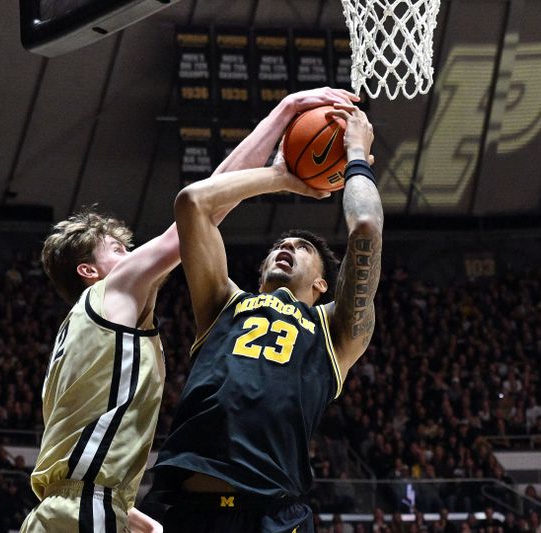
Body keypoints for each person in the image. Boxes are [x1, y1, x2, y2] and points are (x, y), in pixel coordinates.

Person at [20, 87, 359, 533]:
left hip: (67, 510)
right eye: (119, 250)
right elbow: (200, 207)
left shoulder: (77, 338)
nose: (134, 255)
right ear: (89, 270)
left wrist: (132, 517)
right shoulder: (115, 291)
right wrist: (284, 134)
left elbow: (72, 454)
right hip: (85, 510)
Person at [146, 102, 380, 532]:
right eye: (279, 246)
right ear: (260, 272)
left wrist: (356, 156)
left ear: (322, 286)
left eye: (303, 248)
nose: (287, 247)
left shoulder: (333, 330)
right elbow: (192, 202)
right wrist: (279, 178)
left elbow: (365, 226)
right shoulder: (223, 304)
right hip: (192, 513)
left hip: (273, 516)